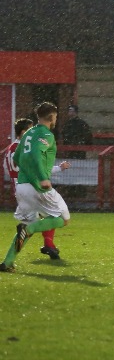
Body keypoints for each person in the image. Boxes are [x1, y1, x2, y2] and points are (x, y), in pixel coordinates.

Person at [0, 102, 72, 272]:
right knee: (64, 218)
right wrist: (42, 178)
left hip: (21, 187)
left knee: (26, 227)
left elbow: (18, 157)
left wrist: (29, 173)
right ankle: (32, 228)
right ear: (53, 117)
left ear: (38, 116)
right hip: (37, 186)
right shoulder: (46, 134)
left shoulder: (28, 134)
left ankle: (7, 261)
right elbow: (35, 153)